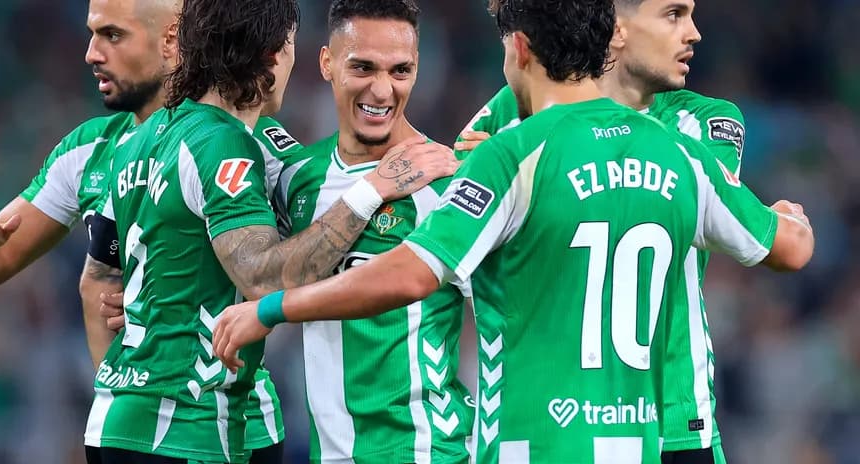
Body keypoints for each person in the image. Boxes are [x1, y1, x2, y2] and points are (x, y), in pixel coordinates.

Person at [211, 0, 815, 462]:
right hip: (643, 433)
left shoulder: (511, 152)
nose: (693, 32)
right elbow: (788, 247)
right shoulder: (678, 151)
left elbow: (413, 273)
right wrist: (791, 217)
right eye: (675, 13)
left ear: (520, 50)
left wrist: (272, 308)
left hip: (536, 440)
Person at [83, 0, 458, 462]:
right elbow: (263, 277)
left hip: (119, 417)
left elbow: (99, 275)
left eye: (400, 70)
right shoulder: (225, 143)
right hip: (183, 425)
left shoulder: (137, 140)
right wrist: (372, 190)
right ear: (273, 54)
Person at [0, 0, 302, 462]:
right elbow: (2, 270)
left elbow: (298, 250)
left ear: (174, 40)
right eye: (93, 34)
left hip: (242, 423)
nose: (91, 53)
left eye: (113, 35)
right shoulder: (92, 148)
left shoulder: (246, 141)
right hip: (152, 425)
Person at [456, 1, 748, 462]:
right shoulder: (509, 108)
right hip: (557, 420)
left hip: (675, 420)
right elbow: (457, 228)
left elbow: (706, 205)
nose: (694, 33)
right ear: (615, 28)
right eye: (673, 14)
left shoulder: (706, 122)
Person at [272, 1, 472, 462]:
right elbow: (263, 277)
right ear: (327, 63)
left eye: (400, 71)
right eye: (362, 67)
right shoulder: (297, 177)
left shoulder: (446, 180)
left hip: (422, 451)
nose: (382, 91)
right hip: (328, 453)